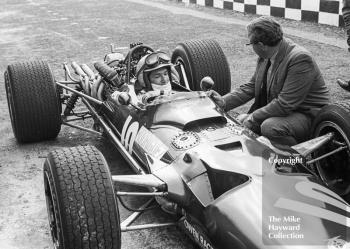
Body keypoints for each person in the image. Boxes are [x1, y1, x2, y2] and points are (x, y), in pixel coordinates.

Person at [208, 16, 329, 146]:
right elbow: (252, 86)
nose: (251, 47)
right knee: (241, 121)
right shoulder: (267, 54)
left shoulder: (300, 59)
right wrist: (224, 102)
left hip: (308, 115)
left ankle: (293, 161)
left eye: (250, 44)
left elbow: (285, 104)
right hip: (288, 111)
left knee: (269, 127)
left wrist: (253, 117)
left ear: (261, 45)